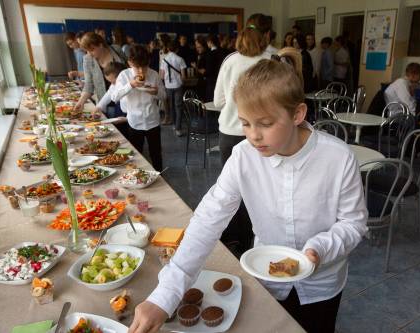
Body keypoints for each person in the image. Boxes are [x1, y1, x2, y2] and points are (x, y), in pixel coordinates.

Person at [128, 58, 368, 333]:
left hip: (321, 285)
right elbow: (207, 220)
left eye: (265, 123)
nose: (253, 136)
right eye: (245, 123)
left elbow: (354, 223)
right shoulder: (243, 156)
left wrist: (321, 247)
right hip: (267, 280)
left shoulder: (338, 158)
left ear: (297, 114)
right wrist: (164, 295)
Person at [214, 13, 272, 254]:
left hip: (230, 131)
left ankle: (235, 238)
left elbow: (218, 100)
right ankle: (256, 239)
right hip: (264, 134)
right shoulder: (273, 58)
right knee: (262, 188)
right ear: (266, 35)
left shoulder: (230, 61)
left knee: (231, 188)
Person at [111, 44, 165, 171]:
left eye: (144, 67)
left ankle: (160, 176)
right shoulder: (124, 76)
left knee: (156, 154)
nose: (141, 71)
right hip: (134, 122)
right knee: (136, 154)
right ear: (130, 63)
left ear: (149, 63)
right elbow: (114, 97)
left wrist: (155, 92)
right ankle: (136, 176)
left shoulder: (154, 74)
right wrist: (130, 85)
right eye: (137, 67)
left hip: (153, 121)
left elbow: (164, 96)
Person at [74, 32, 125, 112]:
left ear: (100, 45)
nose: (89, 54)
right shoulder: (88, 59)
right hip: (105, 105)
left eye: (92, 50)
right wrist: (81, 101)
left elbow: (128, 70)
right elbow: (88, 85)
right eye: (87, 51)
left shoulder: (116, 49)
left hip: (125, 101)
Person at [93, 61, 130, 139]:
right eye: (110, 82)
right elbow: (109, 94)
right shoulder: (114, 85)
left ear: (122, 77)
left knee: (130, 137)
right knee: (120, 134)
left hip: (130, 119)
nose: (112, 84)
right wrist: (98, 107)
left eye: (113, 82)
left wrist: (127, 119)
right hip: (119, 115)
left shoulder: (130, 86)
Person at [160, 39, 187, 137]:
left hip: (168, 86)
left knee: (171, 106)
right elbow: (184, 76)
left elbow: (162, 76)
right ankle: (178, 129)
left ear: (168, 48)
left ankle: (174, 125)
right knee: (178, 107)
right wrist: (182, 81)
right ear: (177, 49)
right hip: (178, 85)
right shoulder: (180, 59)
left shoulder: (164, 60)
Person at [205, 34, 227, 101]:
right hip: (222, 78)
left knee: (211, 99)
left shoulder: (210, 54)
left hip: (212, 80)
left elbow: (209, 69)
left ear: (210, 42)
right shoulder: (223, 51)